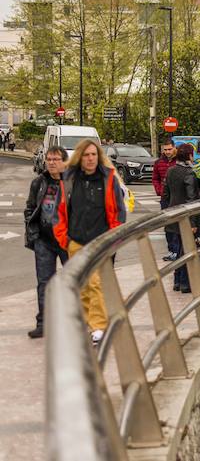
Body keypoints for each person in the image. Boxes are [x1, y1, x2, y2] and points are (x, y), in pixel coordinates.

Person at [53, 139, 127, 344]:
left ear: (99, 156)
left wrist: (114, 238)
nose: (90, 158)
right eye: (86, 155)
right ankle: (89, 324)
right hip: (75, 240)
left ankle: (98, 326)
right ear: (79, 157)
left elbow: (119, 212)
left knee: (95, 283)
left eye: (94, 154)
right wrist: (64, 239)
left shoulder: (108, 178)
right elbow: (59, 211)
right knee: (81, 284)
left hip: (101, 239)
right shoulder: (69, 179)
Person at [24, 145, 69, 338]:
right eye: (49, 159)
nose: (51, 162)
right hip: (44, 240)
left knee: (74, 282)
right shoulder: (39, 183)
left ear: (64, 162)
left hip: (68, 241)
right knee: (44, 283)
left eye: (56, 159)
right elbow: (30, 209)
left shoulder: (73, 182)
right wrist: (33, 235)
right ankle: (43, 322)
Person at [163, 143, 200, 292]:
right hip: (186, 216)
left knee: (179, 247)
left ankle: (177, 281)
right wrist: (193, 222)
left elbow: (165, 194)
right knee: (186, 248)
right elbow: (191, 198)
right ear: (189, 155)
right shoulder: (189, 173)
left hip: (173, 212)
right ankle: (185, 283)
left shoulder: (171, 170)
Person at [153, 138, 179, 261]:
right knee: (168, 225)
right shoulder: (158, 162)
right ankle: (172, 250)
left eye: (169, 149)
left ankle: (178, 250)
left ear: (174, 148)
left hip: (177, 197)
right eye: (165, 150)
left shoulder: (179, 161)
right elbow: (155, 178)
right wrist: (159, 190)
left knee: (177, 224)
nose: (168, 152)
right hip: (165, 198)